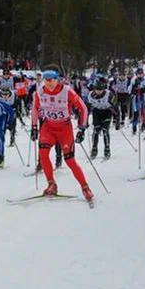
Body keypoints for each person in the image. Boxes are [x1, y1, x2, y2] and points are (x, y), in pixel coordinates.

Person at [30, 68, 94, 205]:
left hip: (64, 129)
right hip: (48, 127)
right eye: (46, 81)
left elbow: (83, 108)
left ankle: (85, 187)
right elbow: (35, 108)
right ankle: (51, 184)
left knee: (70, 160)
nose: (48, 84)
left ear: (56, 79)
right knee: (43, 154)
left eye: (51, 81)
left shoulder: (67, 91)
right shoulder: (40, 91)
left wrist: (82, 127)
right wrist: (34, 127)